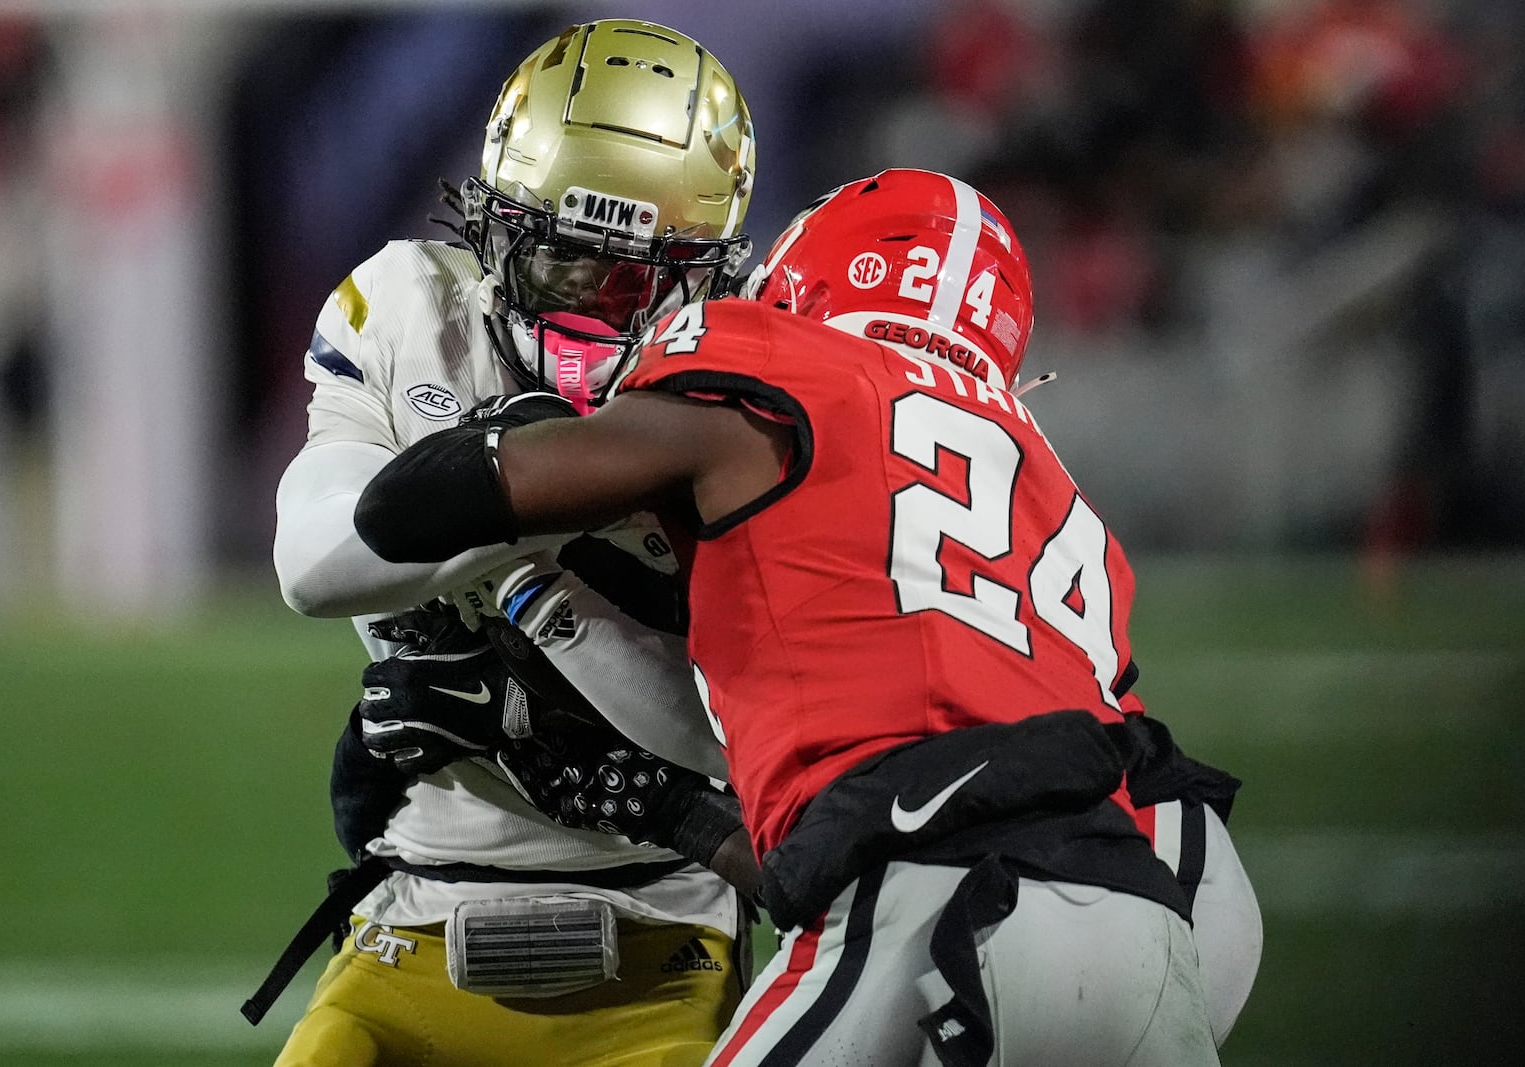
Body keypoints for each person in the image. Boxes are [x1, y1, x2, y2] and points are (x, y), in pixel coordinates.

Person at [354, 168, 1230, 1066]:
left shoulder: (774, 363)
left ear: (806, 277)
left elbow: (397, 513)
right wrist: (670, 809)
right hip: (1156, 928)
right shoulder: (1054, 495)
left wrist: (517, 446)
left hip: (935, 908)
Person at [262, 19, 758, 1067]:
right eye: (557, 258)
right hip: (426, 890)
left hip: (662, 905)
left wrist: (509, 585)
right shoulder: (407, 304)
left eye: (627, 278)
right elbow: (314, 560)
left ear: (704, 271)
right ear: (491, 224)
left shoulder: (747, 378)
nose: (584, 298)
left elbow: (717, 732)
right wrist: (543, 487)